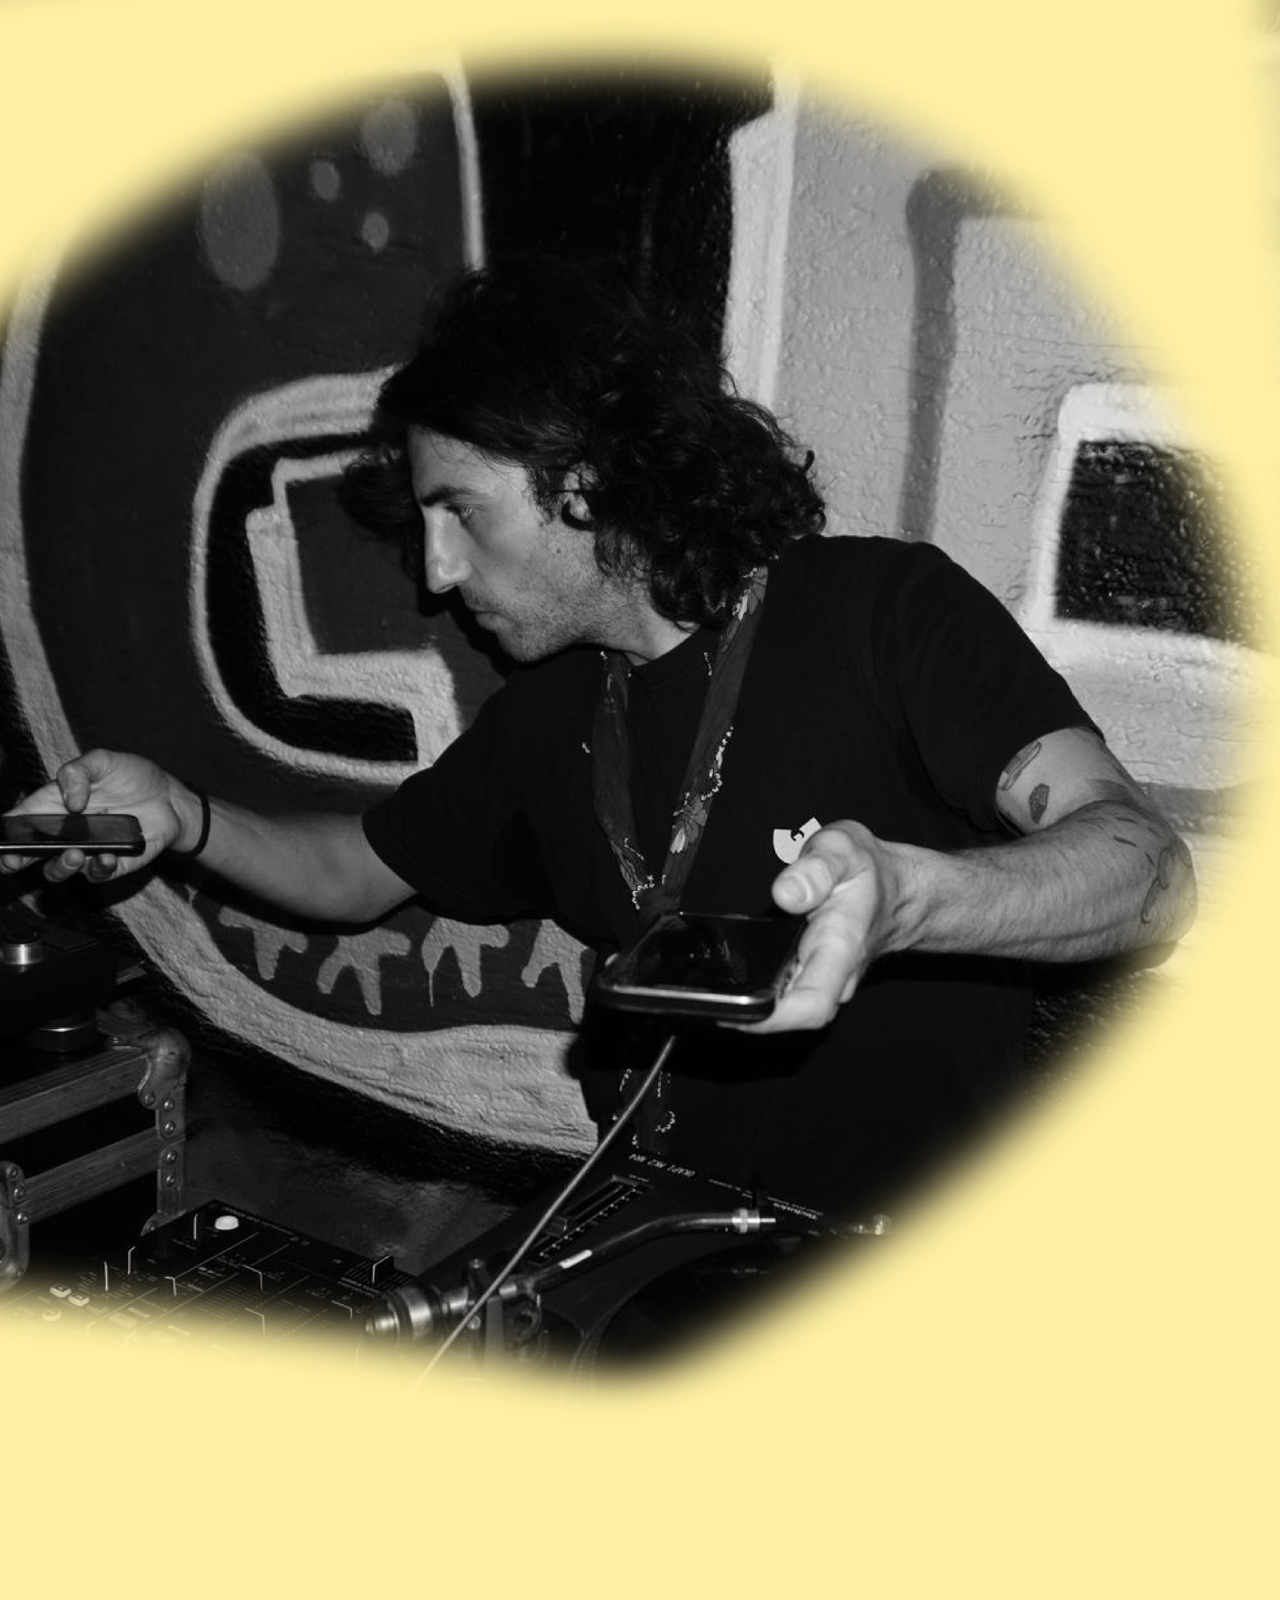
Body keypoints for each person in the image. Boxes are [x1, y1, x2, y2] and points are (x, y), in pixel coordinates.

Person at [1, 258, 1195, 1224]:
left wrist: (908, 898)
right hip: (659, 1260)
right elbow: (355, 871)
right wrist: (183, 815)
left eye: (458, 512)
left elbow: (1145, 871)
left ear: (582, 481)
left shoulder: (877, 612)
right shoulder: (551, 713)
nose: (433, 573)